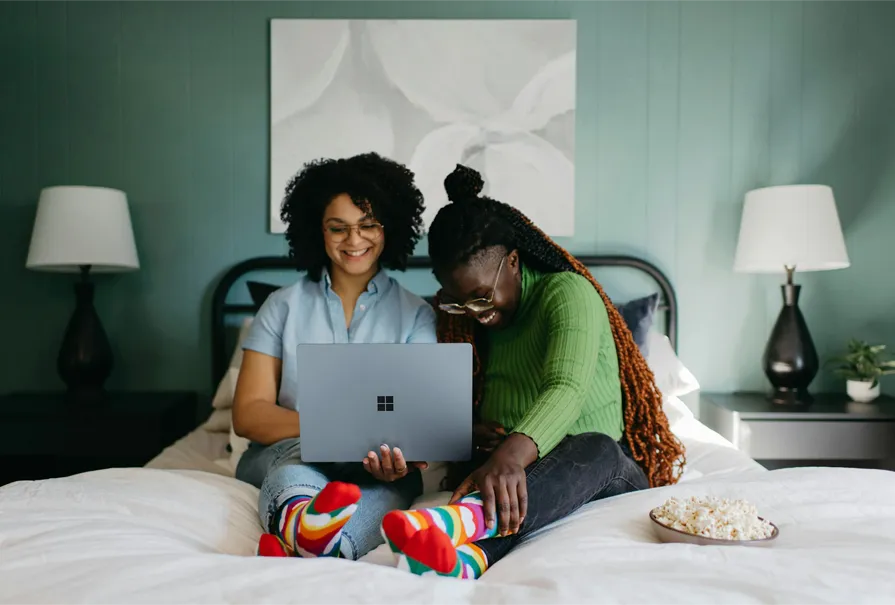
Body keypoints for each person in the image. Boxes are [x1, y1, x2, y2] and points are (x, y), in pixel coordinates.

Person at [380, 164, 686, 579]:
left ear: (513, 261)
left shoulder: (567, 293)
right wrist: (469, 436)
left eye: (481, 297)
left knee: (594, 445)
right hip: (528, 471)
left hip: (603, 469)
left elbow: (565, 388)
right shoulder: (469, 321)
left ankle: (458, 523)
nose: (476, 314)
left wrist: (508, 456)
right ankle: (467, 560)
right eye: (458, 302)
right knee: (502, 470)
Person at [233, 152, 437, 561]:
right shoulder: (281, 306)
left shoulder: (416, 314)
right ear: (318, 231)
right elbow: (248, 415)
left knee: (393, 488)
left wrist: (398, 458)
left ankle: (315, 543)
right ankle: (308, 528)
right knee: (294, 463)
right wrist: (329, 432)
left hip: (375, 464)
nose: (354, 240)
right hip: (292, 447)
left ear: (388, 228)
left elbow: (420, 421)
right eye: (338, 228)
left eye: (368, 226)